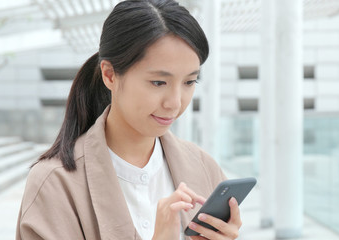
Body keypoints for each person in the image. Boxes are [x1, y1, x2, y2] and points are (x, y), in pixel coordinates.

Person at [15, 1, 242, 239]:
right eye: (158, 82)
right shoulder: (55, 184)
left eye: (189, 82)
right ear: (110, 75)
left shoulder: (205, 168)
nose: (175, 103)